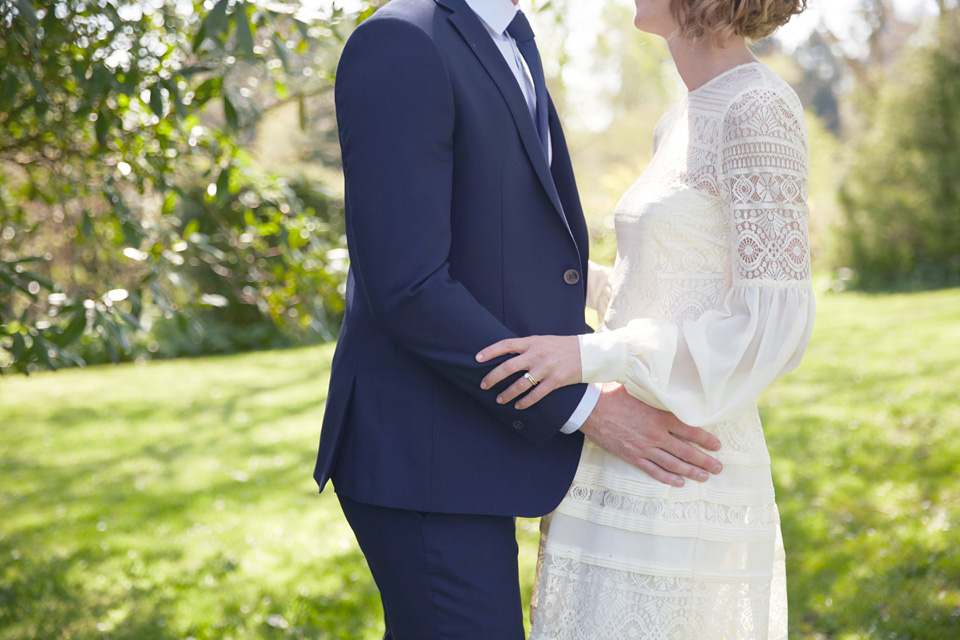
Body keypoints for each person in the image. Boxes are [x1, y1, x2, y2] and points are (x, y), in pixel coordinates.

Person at [312, 0, 727, 637]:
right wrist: (588, 407)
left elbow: (499, 258)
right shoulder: (400, 41)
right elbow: (408, 287)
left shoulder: (510, 35)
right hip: (420, 453)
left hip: (473, 438)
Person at [476, 0, 814, 637]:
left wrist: (592, 356)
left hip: (684, 456)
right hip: (616, 443)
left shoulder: (758, 108)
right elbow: (661, 286)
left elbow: (773, 319)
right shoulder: (684, 113)